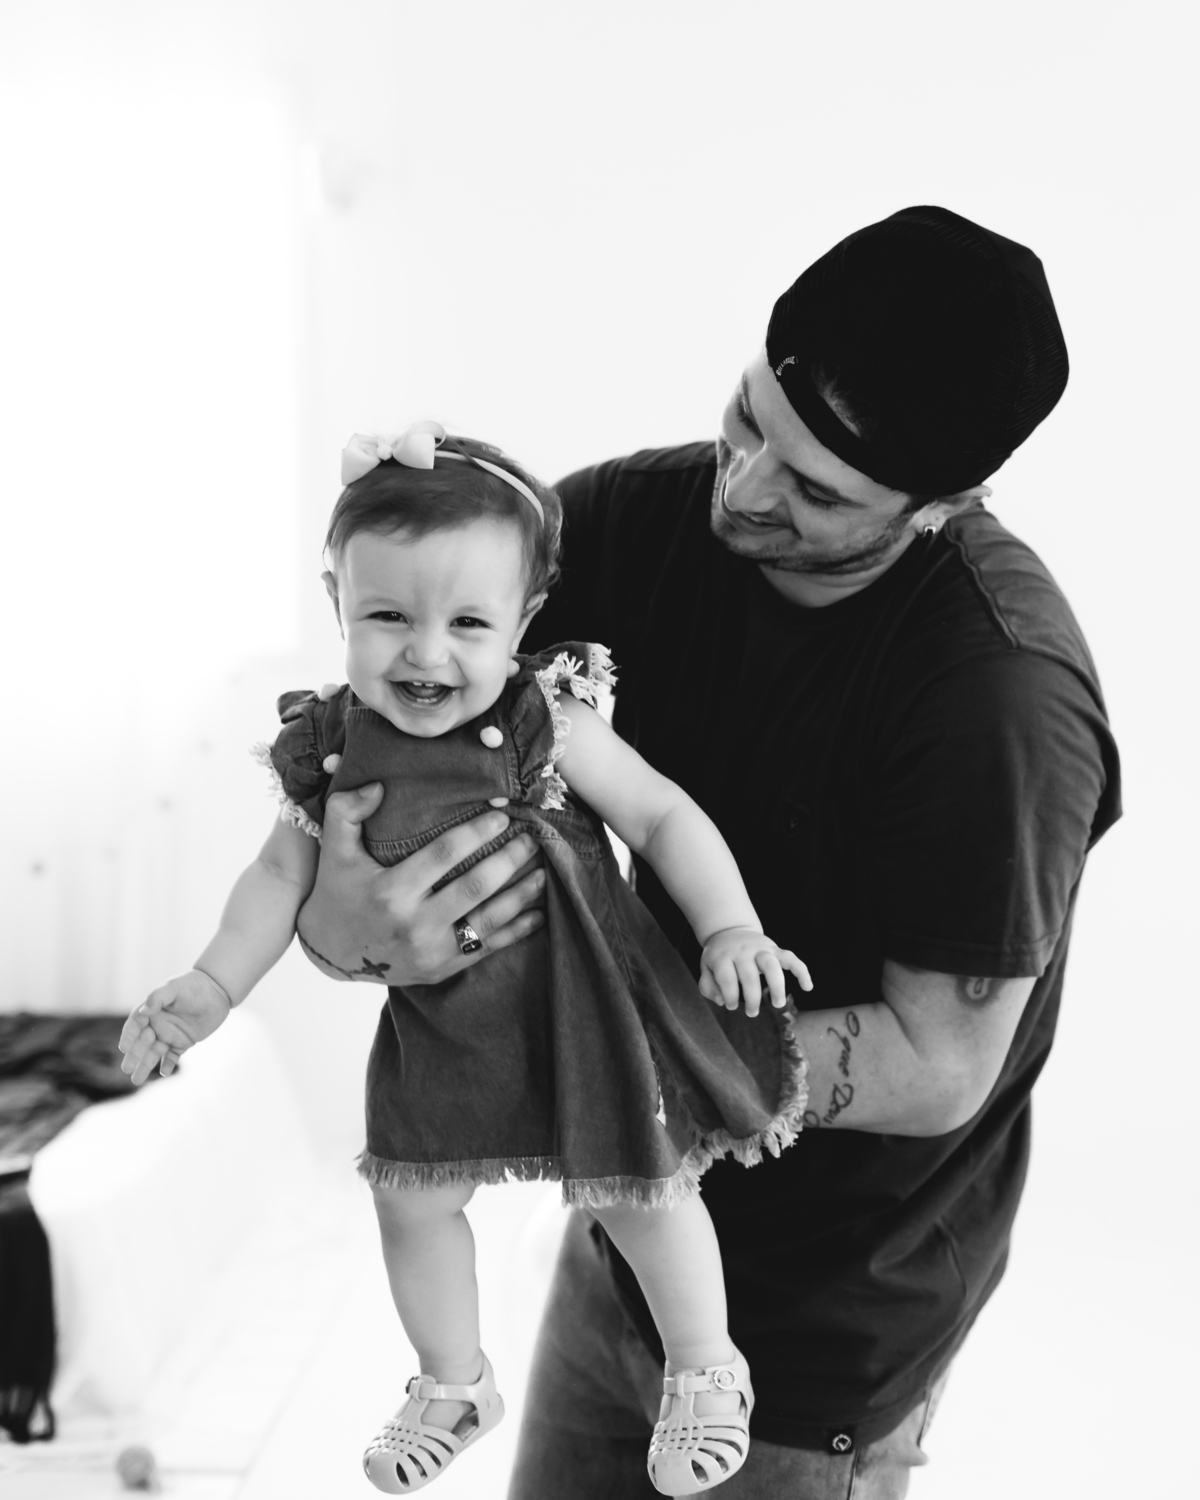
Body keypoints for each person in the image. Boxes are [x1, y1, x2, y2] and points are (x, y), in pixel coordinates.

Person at [292, 206, 1122, 1498]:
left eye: (818, 491)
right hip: (623, 1222)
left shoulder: (998, 698)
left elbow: (939, 1063)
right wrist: (345, 922)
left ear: (942, 506)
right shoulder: (636, 518)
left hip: (830, 1312)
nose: (745, 489)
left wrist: (615, 1068)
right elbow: (417, 693)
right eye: (747, 420)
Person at [117, 421, 817, 1496]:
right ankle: (453, 1382)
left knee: (642, 1188)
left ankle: (706, 1366)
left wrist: (729, 927)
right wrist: (212, 984)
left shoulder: (549, 718)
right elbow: (276, 879)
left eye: (469, 623)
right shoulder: (331, 747)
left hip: (585, 1010)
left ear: (525, 621)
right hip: (444, 1027)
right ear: (338, 603)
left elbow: (663, 816)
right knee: (410, 1200)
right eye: (388, 616)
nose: (426, 653)